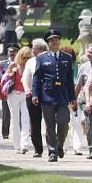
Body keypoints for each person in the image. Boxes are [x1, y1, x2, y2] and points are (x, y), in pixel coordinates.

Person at [32, 29, 76, 162]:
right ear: (48, 43)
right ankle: (52, 151)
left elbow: (70, 80)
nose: (55, 41)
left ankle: (59, 145)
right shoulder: (42, 57)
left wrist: (72, 97)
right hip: (47, 95)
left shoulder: (67, 58)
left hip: (62, 95)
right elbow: (36, 78)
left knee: (63, 122)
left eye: (56, 39)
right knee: (49, 125)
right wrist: (35, 94)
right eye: (52, 40)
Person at [1, 46, 32, 154]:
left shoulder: (31, 66)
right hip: (13, 94)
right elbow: (3, 79)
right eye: (24, 57)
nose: (26, 60)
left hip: (26, 95)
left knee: (26, 119)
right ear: (20, 56)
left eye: (28, 57)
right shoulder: (14, 65)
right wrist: (11, 74)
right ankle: (16, 145)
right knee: (15, 120)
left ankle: (24, 144)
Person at [23, 38, 47, 157]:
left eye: (35, 48)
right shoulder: (30, 62)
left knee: (50, 122)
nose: (32, 50)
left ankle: (53, 147)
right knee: (35, 123)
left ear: (41, 49)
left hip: (47, 94)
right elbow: (26, 77)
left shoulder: (48, 59)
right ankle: (38, 148)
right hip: (32, 95)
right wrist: (27, 89)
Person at [75, 44, 92, 159]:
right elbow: (79, 84)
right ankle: (91, 149)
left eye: (91, 53)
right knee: (89, 126)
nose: (88, 55)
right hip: (87, 101)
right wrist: (73, 99)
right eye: (87, 52)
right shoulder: (84, 67)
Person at [61, 46, 83, 155]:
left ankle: (77, 146)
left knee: (77, 123)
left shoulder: (78, 67)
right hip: (63, 99)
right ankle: (64, 145)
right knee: (63, 123)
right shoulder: (60, 67)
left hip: (76, 98)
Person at [0, 43, 20, 139]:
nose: (12, 53)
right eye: (10, 51)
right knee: (6, 113)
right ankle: (5, 133)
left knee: (19, 112)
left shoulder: (21, 63)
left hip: (18, 90)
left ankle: (19, 131)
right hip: (7, 91)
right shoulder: (3, 63)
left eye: (14, 51)